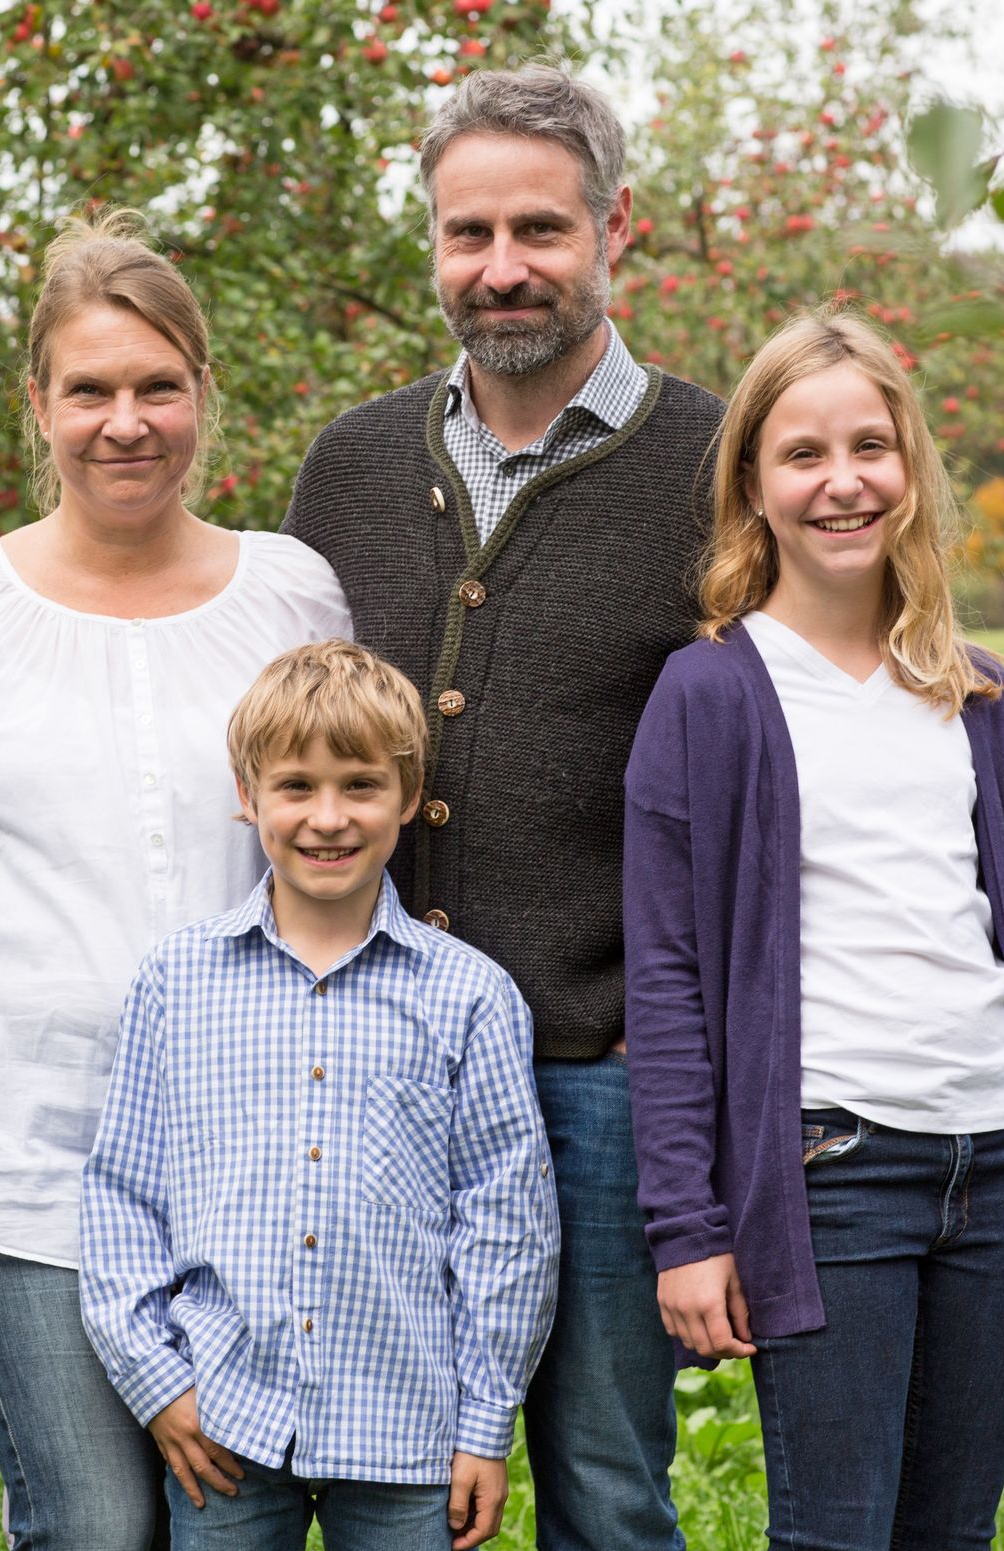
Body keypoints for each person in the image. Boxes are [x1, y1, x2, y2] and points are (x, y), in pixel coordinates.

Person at [282, 62, 720, 1549]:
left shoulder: (718, 467)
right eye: (468, 233)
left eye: (539, 228)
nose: (502, 267)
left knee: (604, 1476)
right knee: (390, 1460)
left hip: (598, 1064)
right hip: (378, 1057)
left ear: (614, 232)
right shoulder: (347, 466)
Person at [0, 208, 350, 1551]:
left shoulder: (294, 595)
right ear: (38, 403)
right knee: (92, 1520)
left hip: (256, 1156)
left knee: (227, 1518)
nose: (125, 420)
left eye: (158, 385)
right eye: (89, 388)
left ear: (206, 393)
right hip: (24, 1153)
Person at [623, 309, 1004, 1550]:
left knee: (953, 1535)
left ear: (911, 467)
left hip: (990, 1159)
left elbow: (1001, 939)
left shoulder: (979, 693)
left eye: (870, 448)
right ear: (753, 488)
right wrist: (689, 1231)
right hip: (833, 1169)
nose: (843, 483)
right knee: (835, 1535)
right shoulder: (715, 692)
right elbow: (668, 979)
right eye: (803, 455)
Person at [80, 640, 559, 1551]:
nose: (327, 817)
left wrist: (485, 1421)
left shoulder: (471, 996)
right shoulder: (178, 982)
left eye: (361, 785)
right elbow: (124, 1196)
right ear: (248, 792)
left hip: (406, 1428)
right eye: (296, 786)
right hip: (223, 1418)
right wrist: (157, 1382)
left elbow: (506, 1222)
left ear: (410, 796)